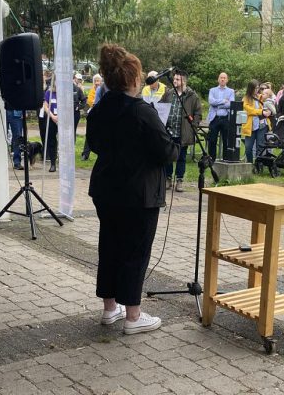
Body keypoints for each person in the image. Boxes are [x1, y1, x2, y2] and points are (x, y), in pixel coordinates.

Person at [87, 43, 178, 334]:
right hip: (138, 193)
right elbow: (166, 152)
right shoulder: (143, 111)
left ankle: (110, 308)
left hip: (106, 189)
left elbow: (97, 145)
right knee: (135, 251)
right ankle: (134, 317)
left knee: (110, 246)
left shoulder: (99, 109)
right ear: (134, 78)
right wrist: (174, 145)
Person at [161, 70, 201, 192]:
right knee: (168, 156)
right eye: (174, 79)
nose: (175, 81)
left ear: (184, 81)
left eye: (177, 79)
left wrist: (192, 125)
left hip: (182, 132)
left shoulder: (192, 96)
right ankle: (168, 179)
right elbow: (161, 106)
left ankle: (179, 180)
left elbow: (198, 113)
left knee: (181, 157)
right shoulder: (169, 93)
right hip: (169, 131)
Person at [241, 80, 271, 164]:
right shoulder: (246, 99)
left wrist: (269, 111)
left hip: (261, 126)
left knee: (260, 147)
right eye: (255, 88)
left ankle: (259, 165)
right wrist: (261, 112)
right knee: (248, 147)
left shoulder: (260, 97)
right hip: (250, 126)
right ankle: (250, 164)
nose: (257, 90)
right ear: (250, 88)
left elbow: (270, 99)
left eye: (258, 88)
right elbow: (249, 110)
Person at [207, 72, 234, 161]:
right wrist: (223, 101)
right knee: (212, 140)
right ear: (218, 79)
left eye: (224, 78)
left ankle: (225, 158)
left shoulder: (231, 91)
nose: (222, 79)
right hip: (214, 118)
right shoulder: (212, 90)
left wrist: (218, 104)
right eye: (221, 77)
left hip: (225, 118)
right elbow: (211, 101)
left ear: (227, 80)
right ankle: (211, 159)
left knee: (226, 140)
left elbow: (231, 104)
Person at [81, 74, 103, 161]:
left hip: (101, 114)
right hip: (92, 114)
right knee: (89, 134)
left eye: (98, 81)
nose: (97, 82)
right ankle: (85, 154)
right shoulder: (92, 90)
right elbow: (89, 102)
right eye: (95, 81)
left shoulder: (102, 89)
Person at [42, 79, 59, 172]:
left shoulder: (64, 92)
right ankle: (53, 163)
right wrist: (52, 116)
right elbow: (46, 106)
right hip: (51, 118)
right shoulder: (48, 92)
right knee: (51, 141)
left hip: (62, 119)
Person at [4, 99, 24, 170]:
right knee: (1, 137)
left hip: (17, 112)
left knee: (18, 137)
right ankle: (0, 160)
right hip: (3, 109)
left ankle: (17, 162)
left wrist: (24, 111)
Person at [73, 73, 87, 143]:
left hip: (75, 113)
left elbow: (84, 100)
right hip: (65, 113)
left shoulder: (78, 88)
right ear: (74, 78)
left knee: (73, 130)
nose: (79, 81)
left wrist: (78, 107)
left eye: (80, 80)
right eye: (78, 79)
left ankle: (72, 147)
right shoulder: (65, 87)